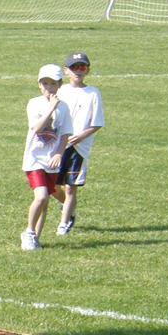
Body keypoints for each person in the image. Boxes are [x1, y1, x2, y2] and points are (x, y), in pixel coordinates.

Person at [20, 63, 72, 251]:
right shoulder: (34, 103)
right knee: (41, 196)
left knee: (46, 200)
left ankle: (36, 238)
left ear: (59, 85)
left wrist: (59, 152)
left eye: (53, 84)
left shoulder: (64, 108)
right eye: (45, 83)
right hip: (34, 160)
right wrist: (50, 108)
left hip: (51, 161)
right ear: (39, 85)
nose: (48, 88)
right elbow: (37, 127)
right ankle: (29, 233)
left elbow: (66, 133)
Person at [52, 51, 104, 236]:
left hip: (79, 148)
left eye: (82, 67)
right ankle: (66, 205)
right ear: (66, 71)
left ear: (87, 70)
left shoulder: (93, 93)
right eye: (74, 67)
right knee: (52, 186)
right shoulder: (60, 91)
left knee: (71, 187)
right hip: (59, 145)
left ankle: (64, 222)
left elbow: (97, 123)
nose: (78, 71)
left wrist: (81, 136)